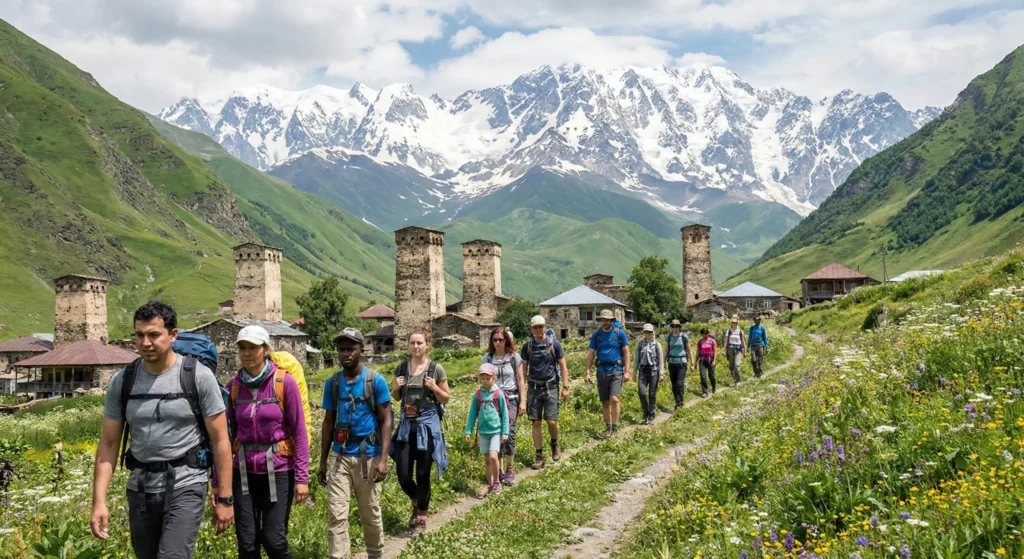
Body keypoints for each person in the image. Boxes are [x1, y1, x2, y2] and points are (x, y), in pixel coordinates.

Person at [91, 302, 233, 559]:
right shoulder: (123, 381)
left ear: (173, 335)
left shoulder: (197, 377)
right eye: (139, 334)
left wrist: (225, 498)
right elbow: (109, 444)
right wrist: (98, 501)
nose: (145, 342)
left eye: (154, 334)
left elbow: (221, 440)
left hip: (186, 483)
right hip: (140, 487)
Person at [220, 326, 309, 559]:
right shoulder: (233, 388)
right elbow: (225, 438)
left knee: (273, 538)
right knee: (247, 543)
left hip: (278, 470)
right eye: (242, 348)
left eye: (253, 348)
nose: (247, 353)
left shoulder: (284, 383)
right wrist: (218, 481)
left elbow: (299, 432)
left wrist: (301, 478)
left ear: (265, 349)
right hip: (243, 472)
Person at [320, 328, 392, 559]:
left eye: (351, 349)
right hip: (339, 455)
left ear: (362, 350)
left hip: (368, 455)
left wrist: (383, 459)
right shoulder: (332, 383)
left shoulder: (375, 381)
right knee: (337, 514)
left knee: (369, 512)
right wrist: (322, 462)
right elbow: (328, 421)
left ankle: (375, 554)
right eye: (341, 349)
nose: (345, 354)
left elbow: (386, 419)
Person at [390, 327, 450, 532]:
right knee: (403, 474)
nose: (416, 346)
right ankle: (417, 499)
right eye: (412, 343)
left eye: (419, 343)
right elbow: (396, 397)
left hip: (427, 426)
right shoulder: (401, 368)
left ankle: (421, 516)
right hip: (407, 426)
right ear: (408, 345)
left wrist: (434, 388)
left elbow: (446, 397)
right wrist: (396, 388)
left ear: (427, 345)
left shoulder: (436, 369)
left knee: (423, 474)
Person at [521, 315, 570, 469]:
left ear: (545, 327)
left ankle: (554, 444)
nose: (538, 330)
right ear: (531, 329)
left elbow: (563, 366)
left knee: (551, 421)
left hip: (551, 387)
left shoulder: (554, 344)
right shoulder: (527, 346)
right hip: (534, 388)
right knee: (536, 422)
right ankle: (539, 455)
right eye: (535, 327)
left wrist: (566, 387)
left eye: (541, 327)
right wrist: (522, 391)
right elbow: (523, 370)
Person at [483, 326, 526, 485]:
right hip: (493, 400)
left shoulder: (514, 357)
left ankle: (509, 468)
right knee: (496, 432)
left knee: (509, 434)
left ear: (506, 340)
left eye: (501, 339)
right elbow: (483, 380)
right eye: (495, 340)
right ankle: (498, 469)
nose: (498, 342)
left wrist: (523, 401)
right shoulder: (487, 358)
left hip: (511, 399)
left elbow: (521, 380)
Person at [464, 363, 510, 494]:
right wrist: (468, 431)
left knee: (493, 456)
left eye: (487, 378)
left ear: (493, 378)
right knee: (487, 459)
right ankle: (490, 484)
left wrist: (505, 432)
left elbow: (505, 414)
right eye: (482, 378)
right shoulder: (477, 395)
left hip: (496, 431)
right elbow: (472, 414)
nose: (485, 381)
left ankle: (497, 481)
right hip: (483, 432)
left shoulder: (498, 394)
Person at [585, 309, 631, 436]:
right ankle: (608, 427)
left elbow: (626, 352)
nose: (605, 322)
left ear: (611, 320)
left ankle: (615, 428)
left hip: (616, 370)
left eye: (607, 320)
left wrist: (627, 372)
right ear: (600, 321)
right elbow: (590, 354)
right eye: (603, 320)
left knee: (615, 399)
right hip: (601, 371)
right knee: (605, 401)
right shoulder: (596, 336)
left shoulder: (619, 334)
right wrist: (587, 371)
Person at [633, 324, 664, 425]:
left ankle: (651, 415)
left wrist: (661, 374)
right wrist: (634, 372)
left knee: (652, 394)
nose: (648, 334)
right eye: (646, 332)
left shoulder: (657, 344)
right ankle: (645, 412)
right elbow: (636, 359)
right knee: (641, 393)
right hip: (643, 371)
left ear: (652, 333)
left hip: (654, 371)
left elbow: (660, 360)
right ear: (643, 333)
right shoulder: (640, 344)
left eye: (649, 332)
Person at [664, 319, 693, 409]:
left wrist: (692, 363)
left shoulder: (684, 337)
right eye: (673, 326)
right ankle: (677, 401)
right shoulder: (668, 337)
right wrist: (663, 362)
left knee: (680, 383)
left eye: (677, 326)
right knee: (674, 384)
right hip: (672, 363)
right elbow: (665, 351)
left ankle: (680, 403)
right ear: (671, 327)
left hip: (682, 363)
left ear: (679, 327)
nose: (675, 328)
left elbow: (689, 350)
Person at [723, 316, 746, 386]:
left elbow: (743, 341)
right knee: (731, 366)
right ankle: (734, 379)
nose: (734, 324)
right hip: (730, 349)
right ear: (731, 323)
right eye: (733, 323)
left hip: (738, 349)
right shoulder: (728, 331)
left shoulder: (740, 331)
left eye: (735, 323)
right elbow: (726, 341)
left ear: (737, 323)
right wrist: (724, 350)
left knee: (737, 365)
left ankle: (738, 381)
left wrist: (745, 351)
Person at [695, 328, 717, 398]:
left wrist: (714, 361)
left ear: (708, 333)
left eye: (706, 333)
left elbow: (715, 351)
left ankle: (714, 388)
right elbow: (697, 352)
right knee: (703, 376)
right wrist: (695, 362)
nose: (705, 335)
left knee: (711, 376)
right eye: (703, 334)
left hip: (710, 360)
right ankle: (705, 391)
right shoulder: (700, 342)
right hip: (702, 361)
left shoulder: (712, 341)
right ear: (702, 334)